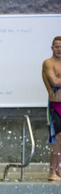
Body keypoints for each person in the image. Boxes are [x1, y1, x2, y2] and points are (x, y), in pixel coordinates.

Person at [42, 36, 61, 182]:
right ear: (52, 48)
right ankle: (51, 172)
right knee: (57, 140)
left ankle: (59, 169)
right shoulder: (48, 63)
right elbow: (54, 81)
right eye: (56, 46)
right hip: (56, 106)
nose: (59, 49)